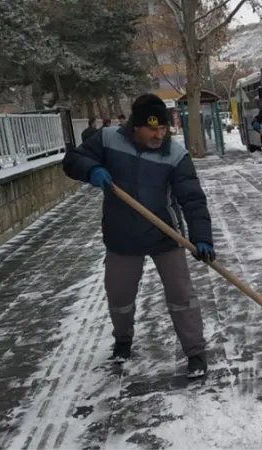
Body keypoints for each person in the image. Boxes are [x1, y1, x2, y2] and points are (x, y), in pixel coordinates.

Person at [62, 94, 214, 378]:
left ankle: (195, 353)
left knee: (182, 296)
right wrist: (91, 169)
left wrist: (202, 237)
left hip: (164, 234)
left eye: (163, 128)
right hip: (122, 236)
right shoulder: (108, 140)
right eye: (152, 129)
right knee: (119, 297)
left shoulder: (176, 155)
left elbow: (192, 199)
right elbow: (73, 159)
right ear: (135, 126)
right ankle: (123, 340)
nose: (159, 135)